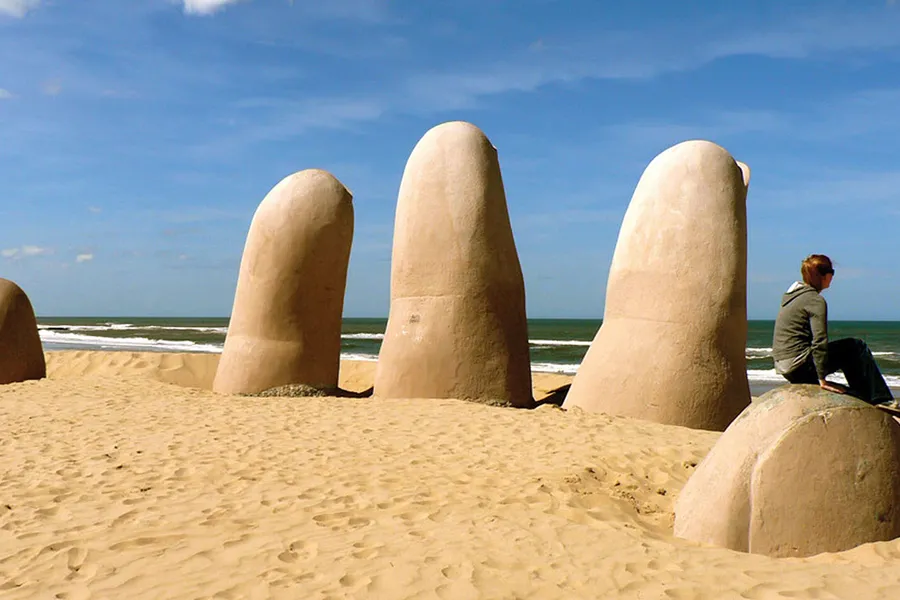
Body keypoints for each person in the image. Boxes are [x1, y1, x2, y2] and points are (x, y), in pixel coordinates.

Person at [772, 254, 895, 405]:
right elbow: (820, 341)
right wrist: (822, 379)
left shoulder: (792, 297)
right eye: (832, 272)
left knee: (849, 353)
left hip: (786, 368)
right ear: (823, 275)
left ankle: (864, 395)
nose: (832, 276)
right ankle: (882, 399)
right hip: (800, 366)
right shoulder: (815, 301)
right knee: (856, 347)